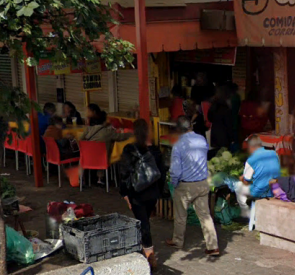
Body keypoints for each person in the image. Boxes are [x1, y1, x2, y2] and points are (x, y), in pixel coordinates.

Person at [165, 116, 220, 257]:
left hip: (185, 185)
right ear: (191, 126)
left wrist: (174, 183)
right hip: (202, 183)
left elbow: (175, 170)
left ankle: (177, 241)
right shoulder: (201, 140)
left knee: (180, 215)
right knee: (205, 216)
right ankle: (213, 246)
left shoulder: (178, 145)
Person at [117, 119, 166, 267]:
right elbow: (161, 173)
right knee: (145, 221)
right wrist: (160, 192)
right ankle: (145, 251)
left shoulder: (129, 149)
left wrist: (124, 193)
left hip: (136, 193)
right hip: (152, 194)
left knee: (143, 223)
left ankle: (150, 256)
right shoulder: (156, 151)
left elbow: (124, 173)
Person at [79, 110, 133, 186]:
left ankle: (81, 178)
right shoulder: (108, 132)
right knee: (103, 154)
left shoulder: (88, 129)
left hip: (87, 159)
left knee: (86, 155)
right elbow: (120, 137)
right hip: (102, 160)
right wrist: (131, 134)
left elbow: (80, 140)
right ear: (104, 121)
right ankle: (100, 178)